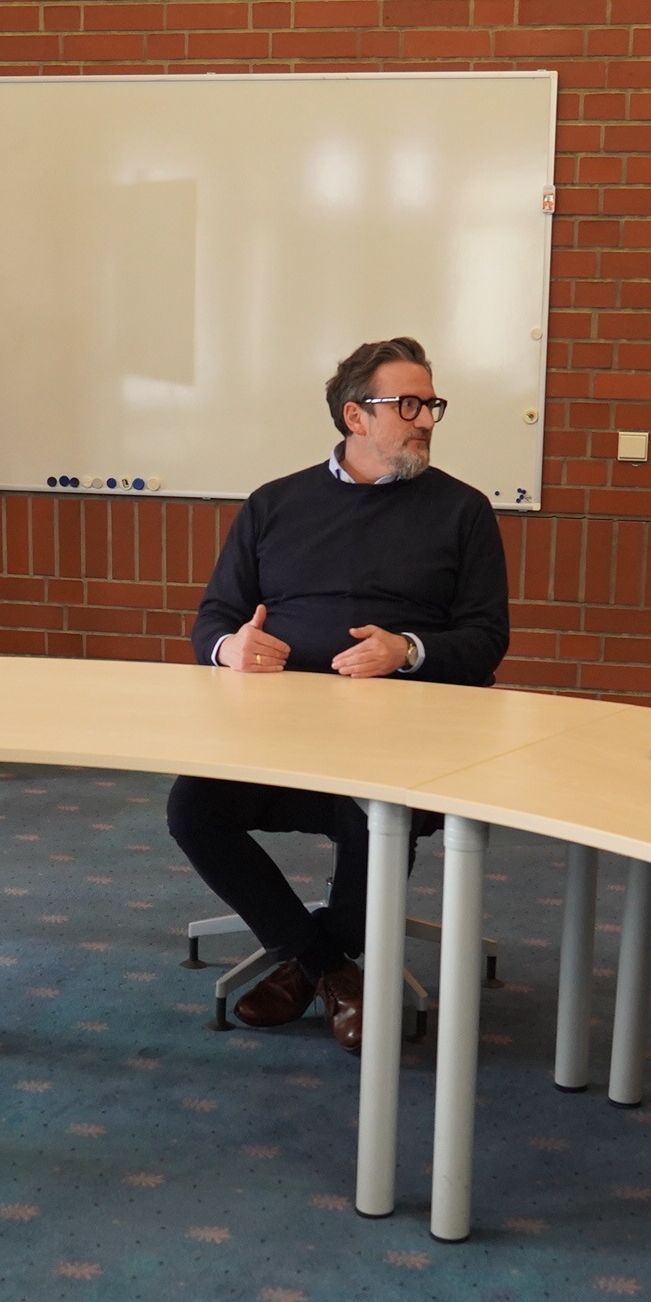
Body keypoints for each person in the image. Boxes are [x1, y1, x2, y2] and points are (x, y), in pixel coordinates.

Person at [167, 337, 511, 1050]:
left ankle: (309, 966)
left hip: (401, 738)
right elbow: (213, 619)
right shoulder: (274, 504)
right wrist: (231, 647)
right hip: (278, 735)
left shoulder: (463, 511)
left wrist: (407, 650)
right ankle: (330, 968)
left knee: (373, 814)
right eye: (407, 405)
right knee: (192, 808)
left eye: (431, 405)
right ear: (356, 416)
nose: (426, 420)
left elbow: (486, 638)